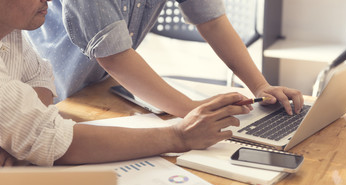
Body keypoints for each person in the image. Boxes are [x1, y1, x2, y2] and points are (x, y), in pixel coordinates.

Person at [0, 0, 251, 167]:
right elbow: (54, 139)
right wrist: (180, 135)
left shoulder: (11, 33)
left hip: (86, 94)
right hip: (72, 94)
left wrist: (21, 130)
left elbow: (39, 75)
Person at [25, 0, 304, 117]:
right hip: (50, 97)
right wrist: (191, 110)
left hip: (99, 89)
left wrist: (259, 86)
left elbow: (213, 22)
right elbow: (114, 57)